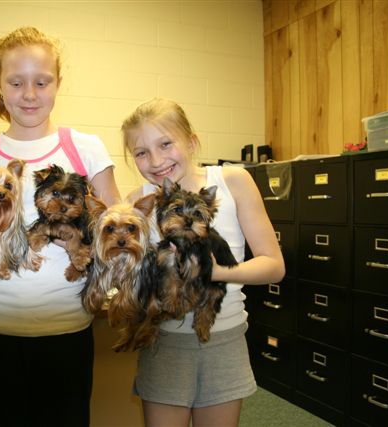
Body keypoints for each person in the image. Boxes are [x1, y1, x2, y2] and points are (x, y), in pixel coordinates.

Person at [0, 26, 120, 426]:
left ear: (58, 83)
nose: (29, 94)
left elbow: (113, 227)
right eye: (16, 82)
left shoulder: (85, 148)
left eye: (42, 82)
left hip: (68, 333)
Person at [121, 98, 285, 427]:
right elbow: (126, 274)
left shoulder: (232, 182)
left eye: (166, 144)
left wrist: (218, 271)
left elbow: (274, 265)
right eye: (141, 152)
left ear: (192, 141)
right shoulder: (136, 203)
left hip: (223, 339)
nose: (156, 160)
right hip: (163, 342)